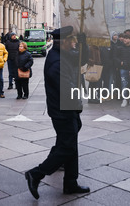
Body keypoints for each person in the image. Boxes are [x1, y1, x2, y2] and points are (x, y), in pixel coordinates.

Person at [25, 26, 90, 199]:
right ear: (64, 42)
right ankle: (36, 173)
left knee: (69, 145)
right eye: (73, 40)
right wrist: (77, 105)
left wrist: (84, 42)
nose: (75, 43)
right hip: (63, 110)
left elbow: (82, 59)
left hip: (67, 109)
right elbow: (66, 91)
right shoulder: (57, 62)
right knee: (67, 147)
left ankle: (70, 183)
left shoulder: (64, 54)